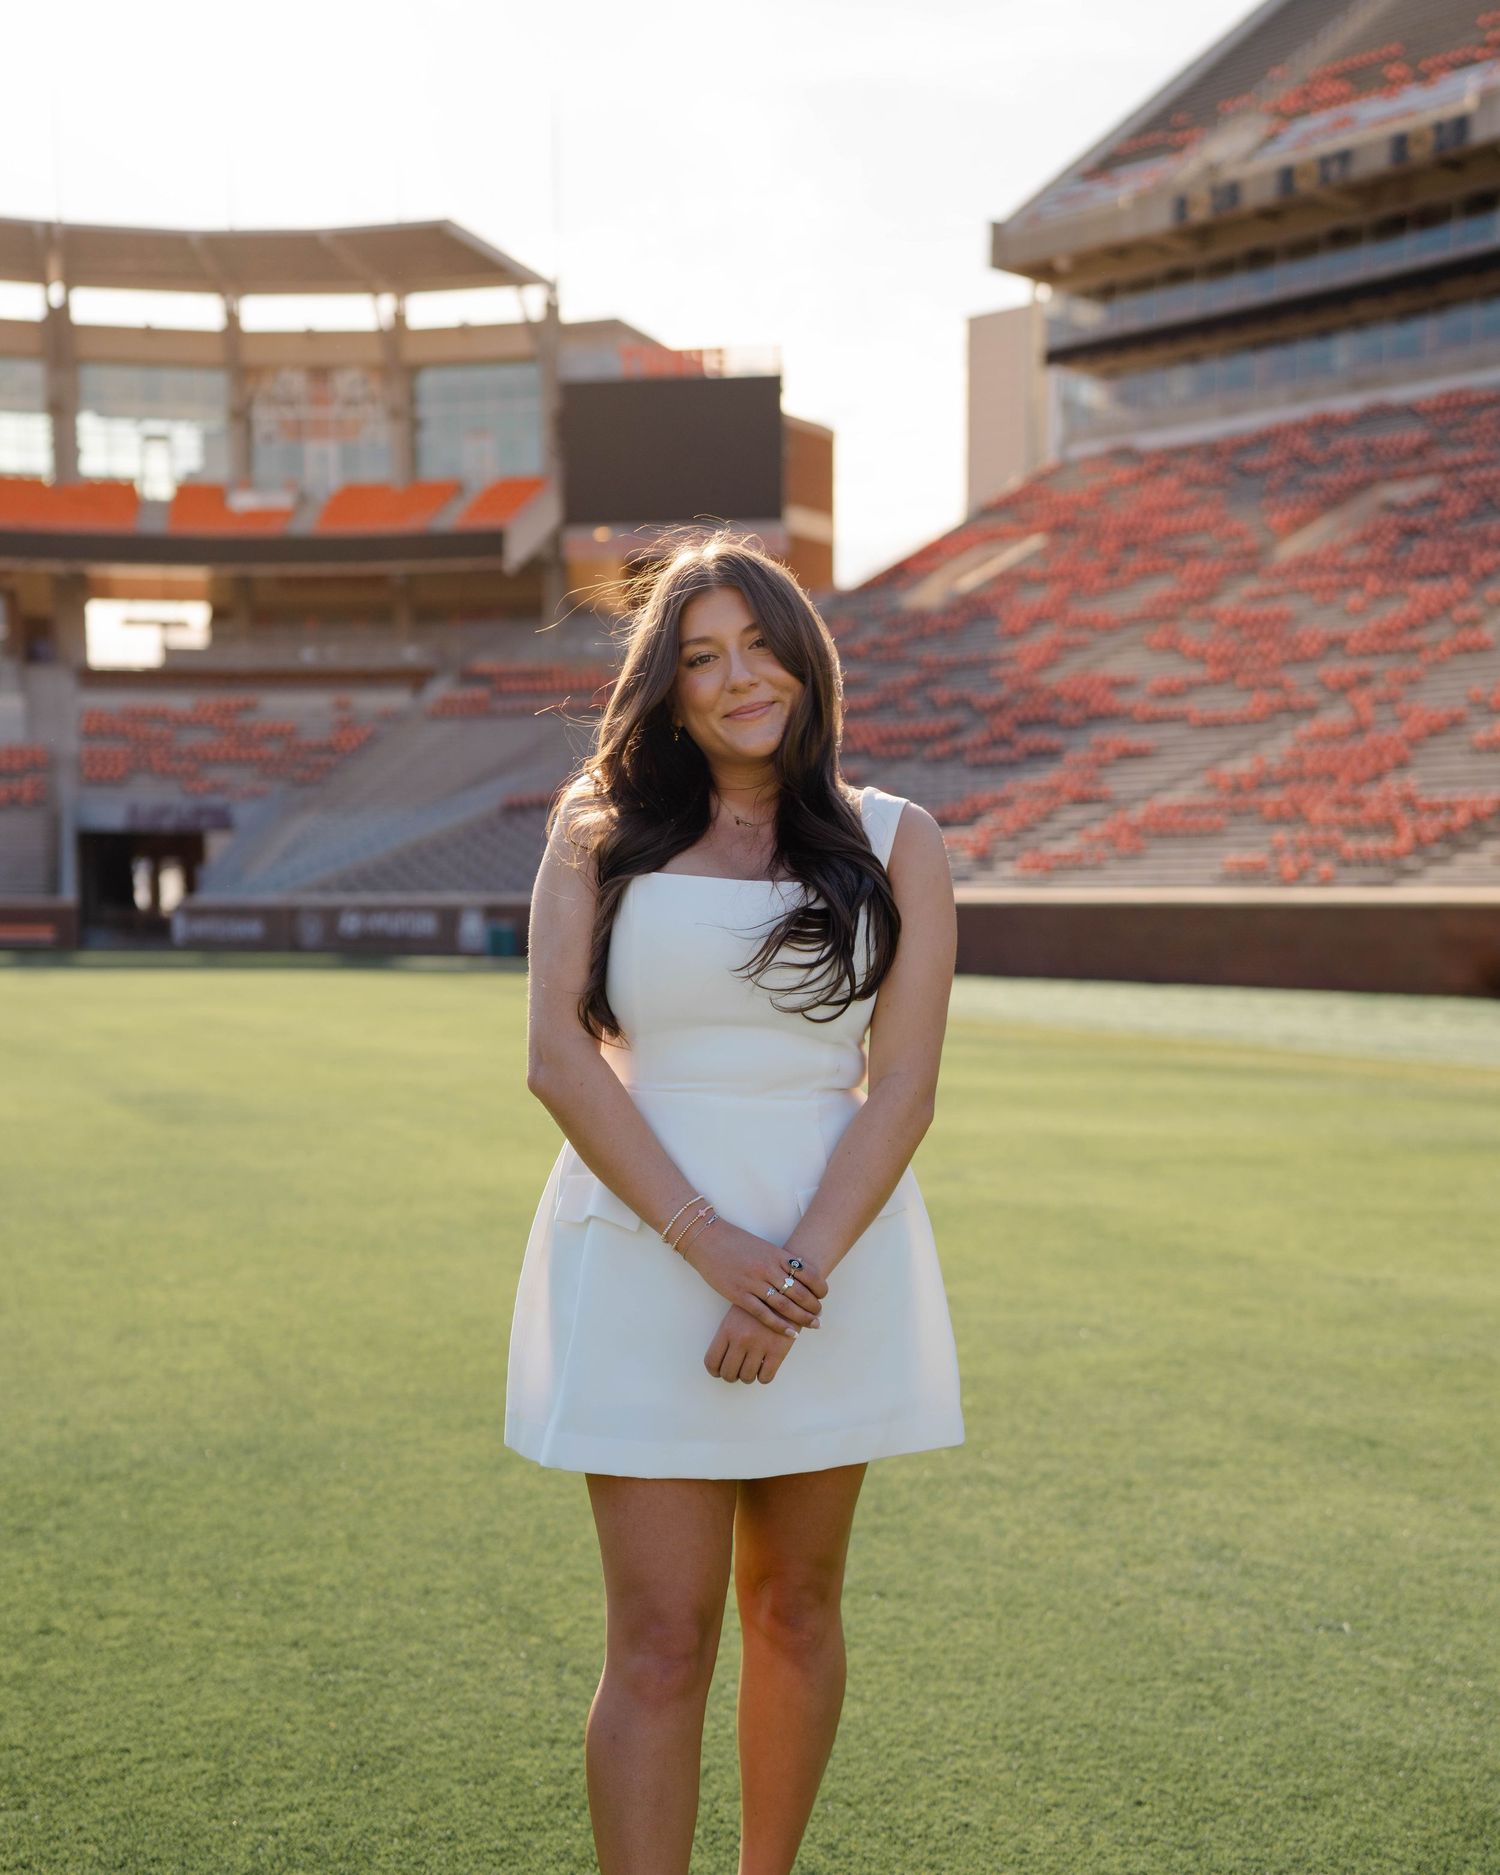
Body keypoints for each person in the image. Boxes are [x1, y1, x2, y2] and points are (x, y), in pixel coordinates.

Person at [505, 529, 965, 1875]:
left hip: (832, 1258)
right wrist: (715, 1249)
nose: (737, 677)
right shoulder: (598, 826)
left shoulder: (900, 841)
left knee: (798, 1610)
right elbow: (555, 1060)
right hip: (650, 1251)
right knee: (658, 1637)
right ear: (667, 686)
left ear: (806, 660)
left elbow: (904, 1089)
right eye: (700, 658)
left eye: (760, 644)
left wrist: (795, 1270)